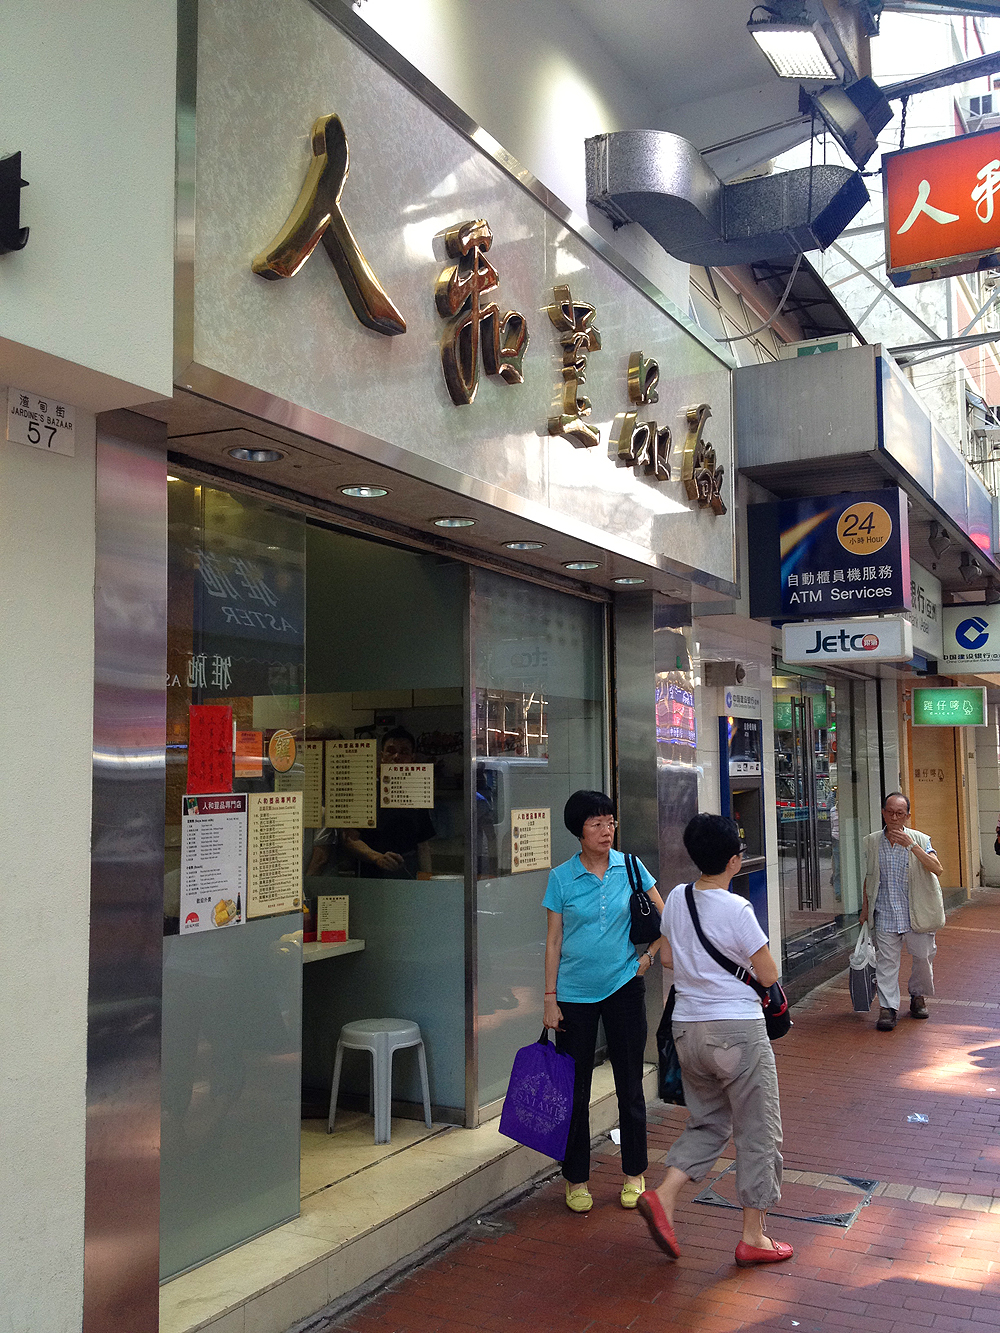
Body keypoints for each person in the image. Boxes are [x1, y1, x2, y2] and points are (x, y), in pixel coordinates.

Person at [638, 813, 791, 1268]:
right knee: (757, 1131)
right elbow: (768, 974)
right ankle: (753, 1237)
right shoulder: (737, 908)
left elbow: (667, 958)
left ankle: (664, 1196)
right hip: (737, 1034)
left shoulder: (679, 898)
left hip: (687, 1030)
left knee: (708, 1123)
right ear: (733, 860)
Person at [542, 790, 663, 1214]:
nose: (606, 830)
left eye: (610, 822)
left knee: (630, 1084)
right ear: (579, 830)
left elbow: (666, 920)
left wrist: (647, 959)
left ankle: (635, 1175)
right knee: (574, 1090)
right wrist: (549, 997)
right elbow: (554, 941)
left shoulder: (631, 866)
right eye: (596, 823)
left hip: (624, 989)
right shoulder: (561, 878)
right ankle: (576, 1179)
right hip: (573, 996)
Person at [859, 792, 944, 1032]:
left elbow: (937, 868)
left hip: (917, 913)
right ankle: (888, 1008)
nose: (894, 818)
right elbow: (869, 877)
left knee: (922, 959)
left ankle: (917, 995)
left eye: (900, 813)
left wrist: (912, 846)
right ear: (883, 813)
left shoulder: (921, 839)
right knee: (886, 964)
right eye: (890, 812)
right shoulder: (873, 841)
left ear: (907, 816)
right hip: (885, 912)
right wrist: (865, 909)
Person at [342, 728, 435, 878]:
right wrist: (376, 857)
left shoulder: (418, 792)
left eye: (404, 752)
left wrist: (427, 880)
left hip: (409, 872)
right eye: (391, 751)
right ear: (382, 756)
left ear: (412, 758)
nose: (397, 756)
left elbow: (423, 845)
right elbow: (350, 839)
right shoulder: (365, 790)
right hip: (371, 873)